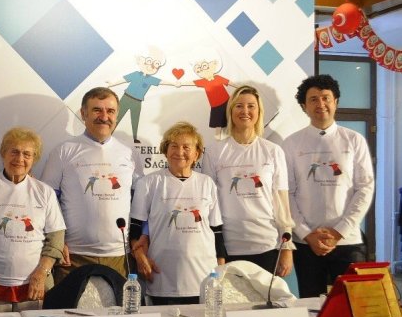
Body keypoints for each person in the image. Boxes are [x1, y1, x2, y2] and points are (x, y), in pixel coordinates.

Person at [282, 75, 374, 297]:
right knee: (311, 307)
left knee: (351, 306)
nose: (320, 104)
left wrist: (339, 231)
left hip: (348, 241)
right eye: (313, 99)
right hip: (306, 243)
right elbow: (287, 194)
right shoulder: (291, 143)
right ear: (304, 106)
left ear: (336, 102)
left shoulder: (354, 140)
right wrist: (306, 234)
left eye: (326, 98)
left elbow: (365, 188)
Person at [41, 87, 145, 282]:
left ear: (117, 115)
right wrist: (56, 243)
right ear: (83, 113)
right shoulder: (63, 151)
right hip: (72, 256)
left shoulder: (129, 153)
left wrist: (138, 241)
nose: (104, 117)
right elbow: (47, 202)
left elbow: (141, 203)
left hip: (119, 257)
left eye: (110, 111)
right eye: (97, 110)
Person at [0, 127, 65, 312]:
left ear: (34, 159)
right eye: (14, 152)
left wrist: (42, 273)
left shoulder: (45, 192)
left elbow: (56, 239)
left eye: (27, 154)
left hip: (35, 287)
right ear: (3, 153)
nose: (20, 159)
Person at [202, 85, 294, 276]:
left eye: (251, 106)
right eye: (239, 106)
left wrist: (287, 247)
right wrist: (216, 248)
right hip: (229, 246)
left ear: (259, 112)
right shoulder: (214, 151)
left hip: (267, 244)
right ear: (230, 111)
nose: (245, 111)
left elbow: (282, 202)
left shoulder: (273, 151)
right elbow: (209, 204)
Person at [129, 122, 226, 305]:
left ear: (196, 154)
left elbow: (217, 230)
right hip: (161, 276)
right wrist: (140, 258)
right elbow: (135, 228)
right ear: (165, 151)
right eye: (174, 146)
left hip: (204, 276)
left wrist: (221, 271)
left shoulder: (207, 183)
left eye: (186, 147)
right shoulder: (149, 183)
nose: (179, 152)